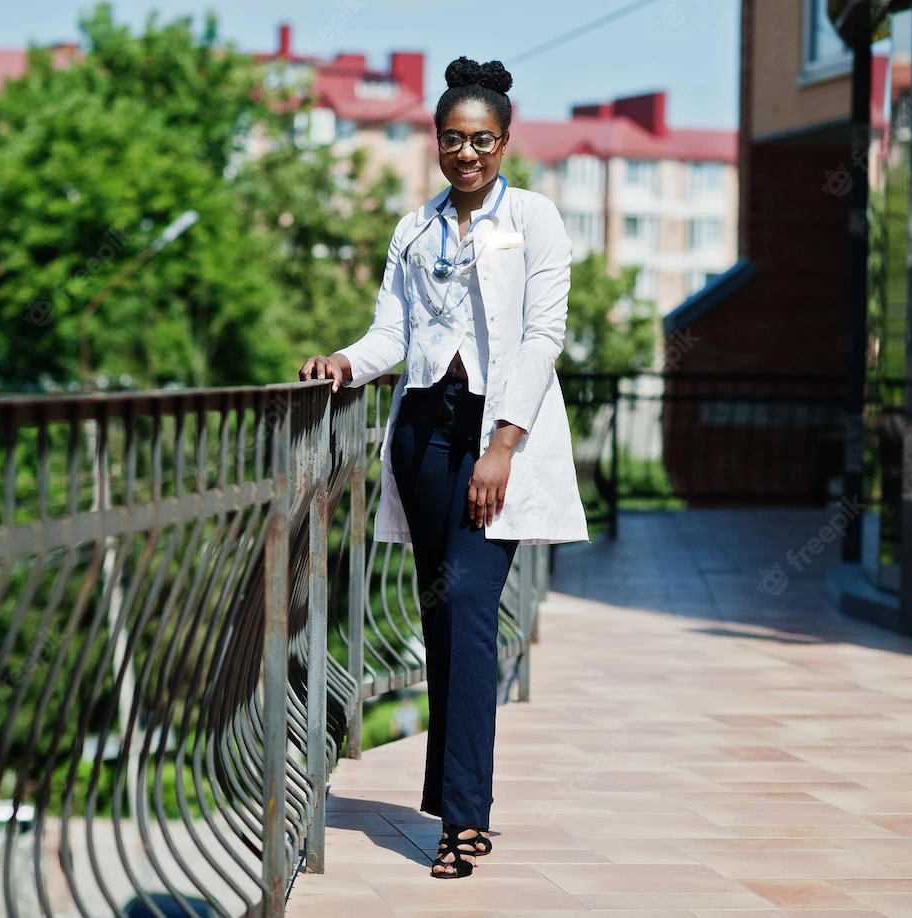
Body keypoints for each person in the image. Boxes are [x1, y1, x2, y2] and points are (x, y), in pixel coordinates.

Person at [298, 55, 588, 879]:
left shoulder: (535, 219)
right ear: (436, 140)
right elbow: (392, 333)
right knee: (441, 619)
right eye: (454, 141)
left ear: (505, 140)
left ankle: (464, 817)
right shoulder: (414, 229)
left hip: (499, 432)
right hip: (423, 432)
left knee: (465, 603)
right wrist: (345, 364)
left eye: (483, 141)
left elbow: (542, 336)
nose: (468, 156)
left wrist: (501, 445)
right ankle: (456, 801)